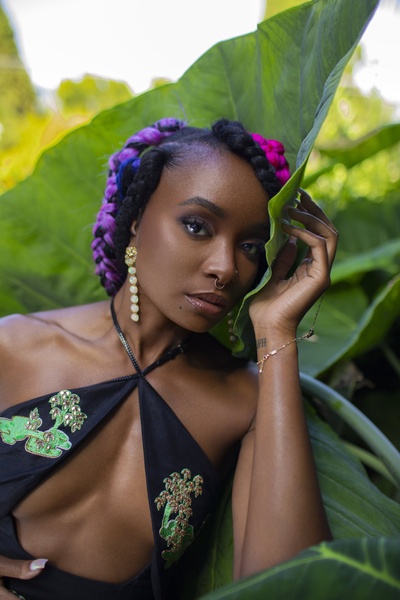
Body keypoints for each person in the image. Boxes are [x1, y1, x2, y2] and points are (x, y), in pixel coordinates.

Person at [0, 117, 337, 600]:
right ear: (137, 221)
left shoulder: (246, 398)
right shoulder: (14, 347)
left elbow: (290, 586)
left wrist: (277, 333)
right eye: (197, 226)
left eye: (249, 246)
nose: (225, 267)